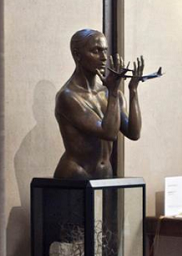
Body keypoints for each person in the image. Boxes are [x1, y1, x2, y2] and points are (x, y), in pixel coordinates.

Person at [54, 28, 144, 179]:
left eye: (105, 51)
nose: (103, 57)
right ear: (78, 55)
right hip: (75, 176)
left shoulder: (108, 92)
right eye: (96, 51)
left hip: (104, 174)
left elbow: (134, 133)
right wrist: (114, 93)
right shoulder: (68, 96)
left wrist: (133, 90)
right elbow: (109, 133)